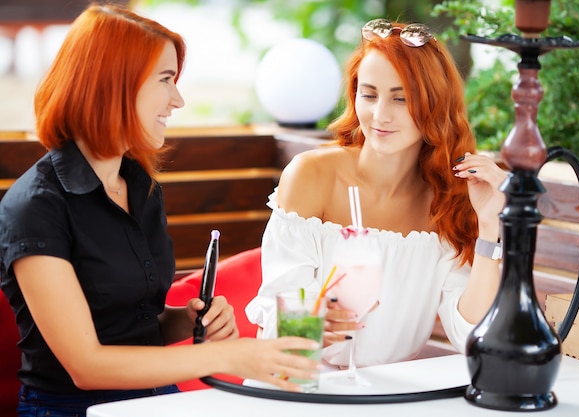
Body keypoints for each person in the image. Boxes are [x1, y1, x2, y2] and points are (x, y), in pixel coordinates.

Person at [0, 4, 319, 416]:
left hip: (155, 400)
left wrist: (184, 320)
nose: (178, 99)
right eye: (166, 80)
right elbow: (87, 366)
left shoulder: (139, 186)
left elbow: (131, 328)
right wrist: (231, 357)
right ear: (115, 85)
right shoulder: (34, 207)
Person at [245, 18, 509, 368]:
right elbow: (279, 330)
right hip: (298, 384)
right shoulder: (311, 176)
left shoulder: (449, 201)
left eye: (401, 99)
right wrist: (313, 322)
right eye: (368, 94)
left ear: (435, 105)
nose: (380, 115)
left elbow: (471, 335)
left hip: (388, 395)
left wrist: (490, 228)